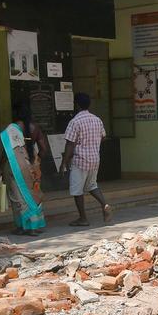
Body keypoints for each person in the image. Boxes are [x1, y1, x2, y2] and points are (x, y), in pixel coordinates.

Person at [62, 92, 112, 226]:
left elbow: (70, 144)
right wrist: (92, 144)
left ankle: (83, 218)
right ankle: (105, 204)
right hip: (95, 158)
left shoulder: (75, 122)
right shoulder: (97, 119)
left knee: (77, 190)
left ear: (77, 105)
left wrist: (64, 163)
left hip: (80, 161)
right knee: (92, 185)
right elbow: (103, 137)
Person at [0, 115, 46, 236]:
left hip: (15, 166)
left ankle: (22, 227)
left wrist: (0, 168)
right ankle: (34, 226)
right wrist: (36, 163)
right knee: (32, 195)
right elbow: (44, 149)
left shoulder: (11, 130)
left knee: (17, 197)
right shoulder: (36, 128)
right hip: (31, 165)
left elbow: (7, 152)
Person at [13, 104, 47, 205]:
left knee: (20, 192)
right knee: (35, 190)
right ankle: (36, 215)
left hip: (19, 162)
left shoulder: (14, 127)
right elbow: (44, 149)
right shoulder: (36, 127)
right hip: (32, 160)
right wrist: (37, 160)